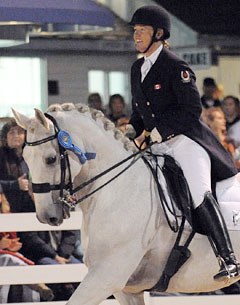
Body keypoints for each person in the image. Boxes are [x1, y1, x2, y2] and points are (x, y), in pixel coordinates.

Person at [125, 5, 240, 282]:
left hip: (186, 141)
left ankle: (228, 258)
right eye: (135, 31)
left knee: (199, 192)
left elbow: (191, 110)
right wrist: (131, 129)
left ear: (159, 33)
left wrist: (158, 132)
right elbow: (141, 111)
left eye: (142, 31)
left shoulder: (175, 66)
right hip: (157, 145)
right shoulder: (137, 67)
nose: (136, 36)